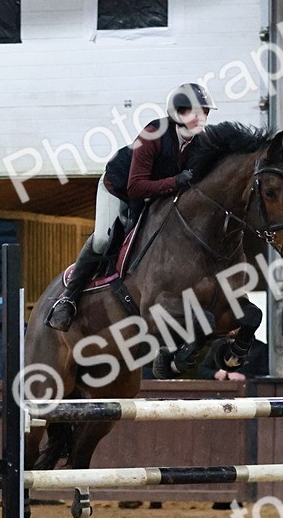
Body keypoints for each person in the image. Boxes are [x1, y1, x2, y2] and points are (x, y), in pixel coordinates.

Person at [45, 82, 217, 331]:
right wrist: (175, 181)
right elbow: (136, 187)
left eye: (206, 113)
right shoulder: (153, 135)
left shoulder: (201, 142)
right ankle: (68, 298)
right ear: (179, 113)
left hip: (156, 196)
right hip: (119, 189)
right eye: (196, 113)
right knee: (105, 239)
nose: (202, 119)